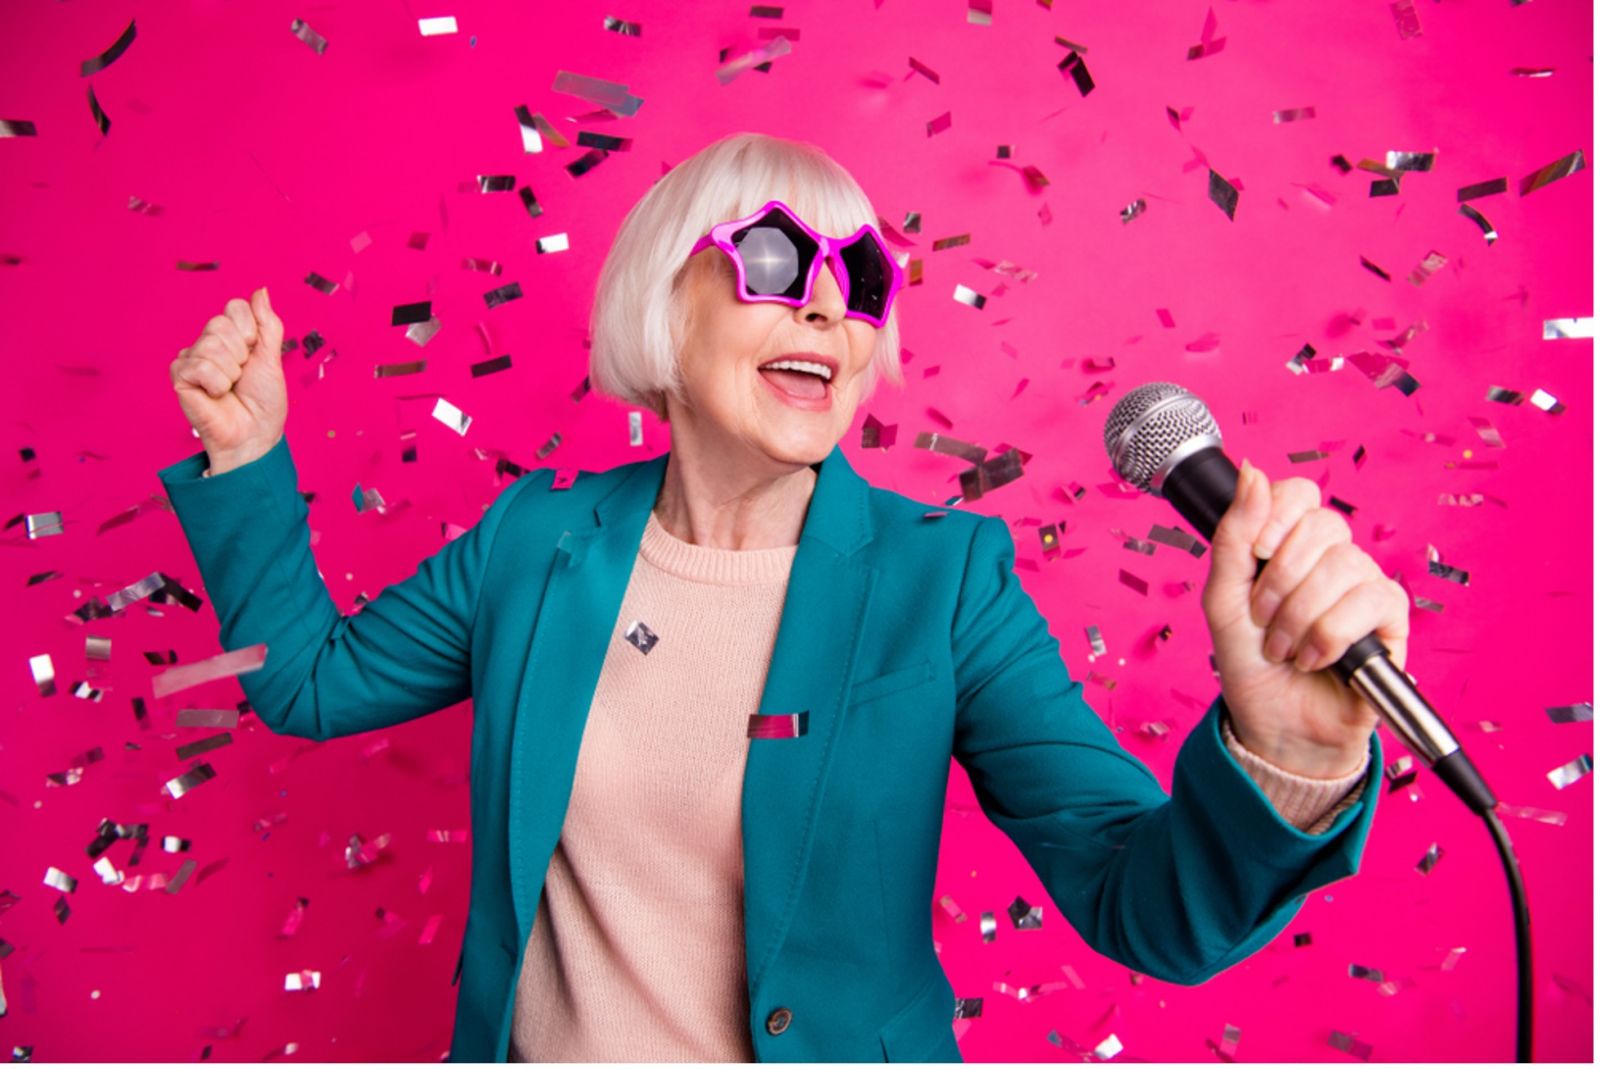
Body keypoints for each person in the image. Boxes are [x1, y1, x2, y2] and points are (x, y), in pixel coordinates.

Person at [160, 132, 1404, 1063]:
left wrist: (1288, 761)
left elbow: (1145, 906)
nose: (824, 303)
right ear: (665, 300)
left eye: (859, 278)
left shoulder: (943, 580)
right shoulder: (536, 540)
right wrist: (246, 457)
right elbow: (307, 684)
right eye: (771, 260)